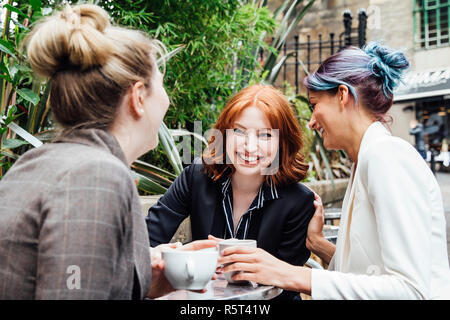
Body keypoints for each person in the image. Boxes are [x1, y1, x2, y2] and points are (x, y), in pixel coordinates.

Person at [0, 4, 215, 300]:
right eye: (162, 86)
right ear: (138, 97)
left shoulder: (36, 163)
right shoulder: (96, 176)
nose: (167, 101)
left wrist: (140, 276)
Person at [218, 42, 450, 299]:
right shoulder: (364, 160)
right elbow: (366, 276)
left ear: (342, 95)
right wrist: (318, 244)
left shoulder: (387, 156)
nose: (312, 121)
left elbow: (411, 291)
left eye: (315, 104)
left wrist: (288, 273)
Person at [146, 84, 316, 300]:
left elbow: (286, 288)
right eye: (239, 131)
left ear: (282, 143)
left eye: (265, 135)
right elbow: (146, 239)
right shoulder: (196, 177)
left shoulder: (299, 202)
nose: (250, 147)